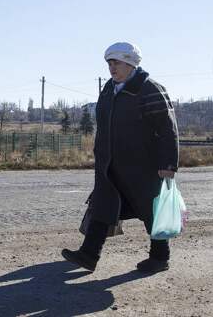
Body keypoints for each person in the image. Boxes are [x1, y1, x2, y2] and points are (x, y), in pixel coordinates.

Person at [62, 42, 179, 273]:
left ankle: (160, 258)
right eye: (109, 63)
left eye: (117, 63)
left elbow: (168, 129)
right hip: (110, 163)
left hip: (143, 166)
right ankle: (89, 254)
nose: (112, 68)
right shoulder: (109, 89)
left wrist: (168, 163)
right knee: (102, 205)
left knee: (152, 211)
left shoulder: (149, 89)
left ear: (131, 63)